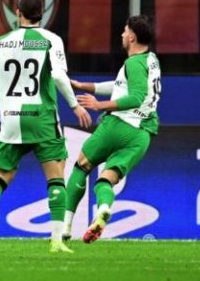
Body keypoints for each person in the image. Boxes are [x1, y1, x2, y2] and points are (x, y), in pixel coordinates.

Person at [0, 0, 92, 254]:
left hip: (11, 119)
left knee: (1, 177)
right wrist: (75, 105)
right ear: (41, 14)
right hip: (42, 118)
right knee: (55, 176)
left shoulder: (2, 42)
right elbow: (57, 76)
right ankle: (56, 239)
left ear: (17, 14)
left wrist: (5, 100)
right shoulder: (50, 40)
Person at [64, 15, 161, 243]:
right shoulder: (151, 60)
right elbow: (121, 86)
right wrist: (85, 86)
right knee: (106, 180)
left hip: (119, 124)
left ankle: (64, 227)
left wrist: (99, 105)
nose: (122, 35)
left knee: (82, 165)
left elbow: (135, 97)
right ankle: (103, 209)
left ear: (132, 37)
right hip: (142, 135)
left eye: (125, 31)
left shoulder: (133, 63)